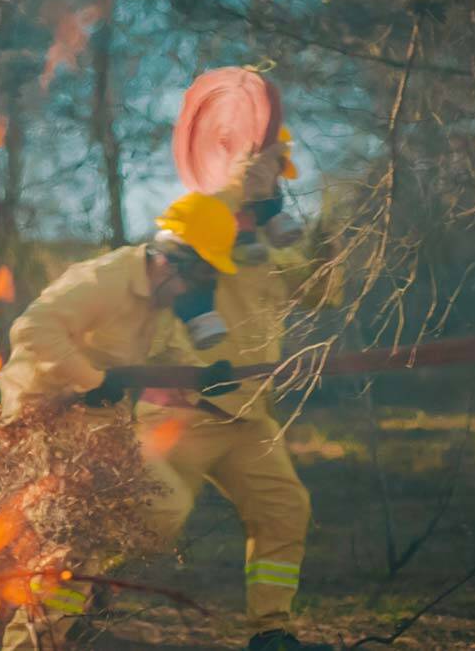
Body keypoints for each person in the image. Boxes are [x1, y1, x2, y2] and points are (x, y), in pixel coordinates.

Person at [0, 191, 240, 650]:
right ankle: (31, 639)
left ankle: (81, 583)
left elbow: (160, 359)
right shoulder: (103, 279)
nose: (200, 294)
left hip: (99, 421)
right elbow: (31, 328)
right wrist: (91, 378)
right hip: (44, 414)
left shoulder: (161, 303)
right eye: (201, 279)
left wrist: (201, 379)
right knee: (73, 541)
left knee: (164, 506)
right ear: (172, 262)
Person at [136, 135, 338, 651]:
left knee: (284, 509)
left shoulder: (273, 241)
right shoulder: (202, 214)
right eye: (266, 164)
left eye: (278, 168)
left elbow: (318, 293)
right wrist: (238, 191)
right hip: (184, 412)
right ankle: (58, 623)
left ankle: (272, 631)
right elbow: (174, 243)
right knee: (135, 522)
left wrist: (329, 245)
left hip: (249, 416)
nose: (274, 175)